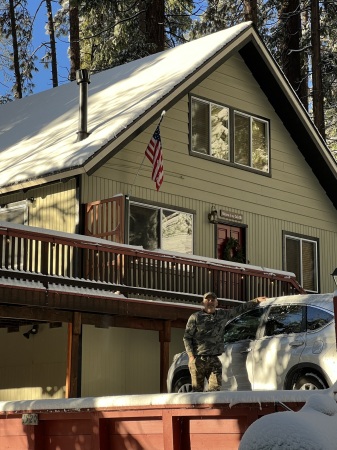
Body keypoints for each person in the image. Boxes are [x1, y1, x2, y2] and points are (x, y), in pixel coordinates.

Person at [183, 292, 267, 392]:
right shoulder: (195, 317)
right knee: (197, 391)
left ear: (216, 303)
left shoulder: (222, 315)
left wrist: (255, 301)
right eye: (207, 300)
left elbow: (238, 310)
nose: (210, 302)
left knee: (215, 390)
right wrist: (191, 356)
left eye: (213, 300)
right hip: (198, 359)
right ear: (203, 302)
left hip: (214, 359)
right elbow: (187, 337)